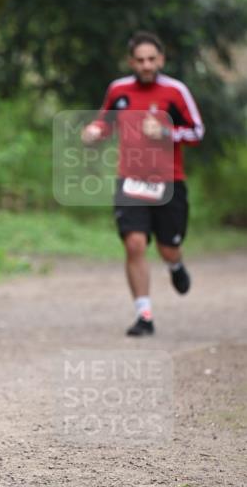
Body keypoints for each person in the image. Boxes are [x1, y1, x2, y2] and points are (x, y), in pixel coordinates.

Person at [82, 31, 204, 336]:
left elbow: (197, 132)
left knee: (167, 249)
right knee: (134, 244)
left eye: (152, 59)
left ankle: (176, 265)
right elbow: (105, 123)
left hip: (169, 182)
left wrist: (166, 133)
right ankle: (144, 315)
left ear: (161, 59)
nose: (146, 65)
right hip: (131, 180)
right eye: (140, 60)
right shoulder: (118, 90)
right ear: (131, 62)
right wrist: (94, 133)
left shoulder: (176, 92)